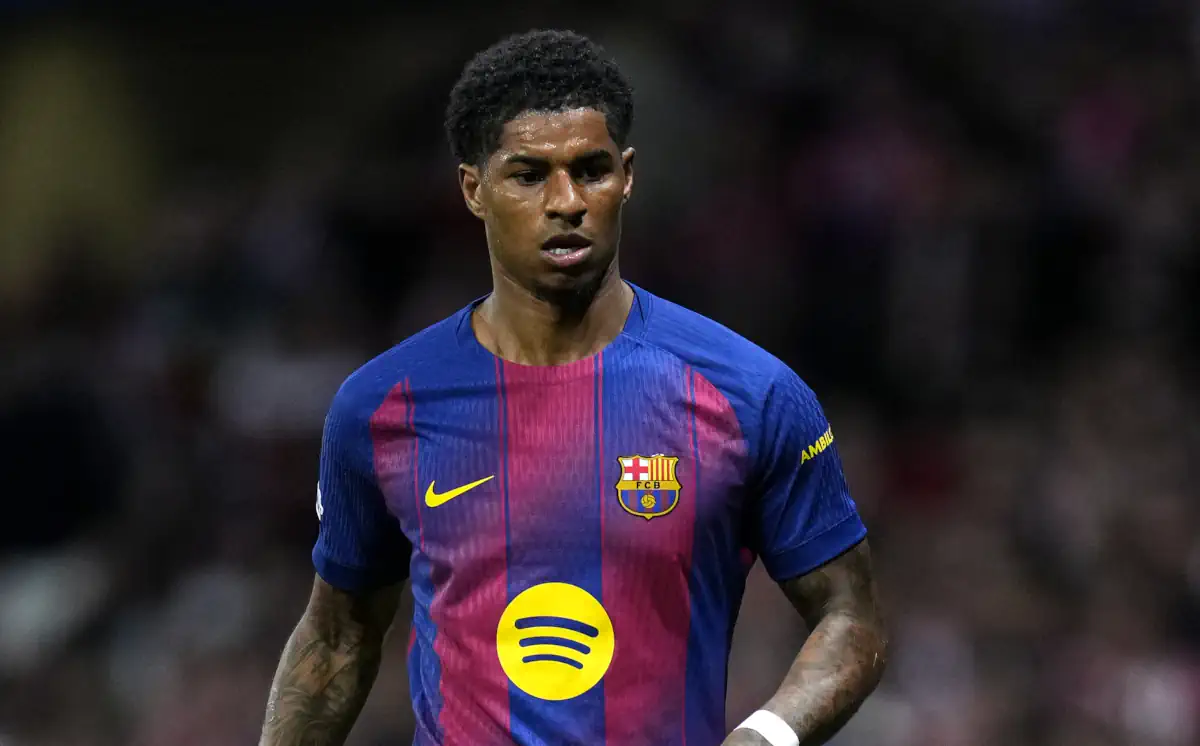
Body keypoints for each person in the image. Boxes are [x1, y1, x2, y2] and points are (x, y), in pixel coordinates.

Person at [260, 29, 887, 746]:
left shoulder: (751, 395)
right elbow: (337, 639)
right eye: (529, 175)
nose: (566, 201)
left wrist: (764, 738)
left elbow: (851, 618)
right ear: (473, 189)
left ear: (627, 176)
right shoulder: (379, 409)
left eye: (590, 170)